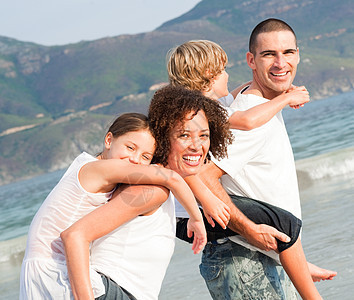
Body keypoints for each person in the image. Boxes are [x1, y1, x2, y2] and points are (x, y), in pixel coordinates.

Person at [167, 31, 336, 299]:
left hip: (195, 212)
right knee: (283, 224)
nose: (228, 75)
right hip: (190, 214)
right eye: (222, 70)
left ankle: (299, 265)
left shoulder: (213, 104)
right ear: (209, 76)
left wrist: (275, 85)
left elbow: (237, 96)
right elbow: (245, 121)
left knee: (282, 225)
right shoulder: (200, 111)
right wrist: (284, 99)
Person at [60, 86, 233, 300]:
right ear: (163, 138)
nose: (197, 146)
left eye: (204, 135)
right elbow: (76, 235)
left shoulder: (156, 180)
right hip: (111, 291)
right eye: (184, 135)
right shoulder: (151, 189)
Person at [20, 112, 207, 300]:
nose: (135, 159)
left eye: (145, 156)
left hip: (42, 271)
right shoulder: (101, 169)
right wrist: (196, 218)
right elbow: (172, 178)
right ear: (109, 140)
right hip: (55, 272)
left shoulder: (88, 166)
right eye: (130, 147)